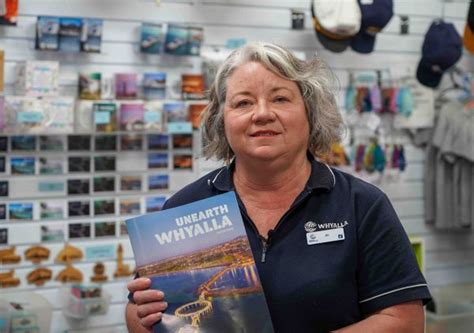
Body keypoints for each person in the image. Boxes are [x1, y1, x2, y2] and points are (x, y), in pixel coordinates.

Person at [126, 42, 431, 333]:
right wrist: (143, 314)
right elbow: (141, 319)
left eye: (280, 99)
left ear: (310, 113)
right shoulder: (184, 208)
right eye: (243, 102)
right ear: (222, 122)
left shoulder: (361, 204)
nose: (262, 114)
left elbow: (404, 321)